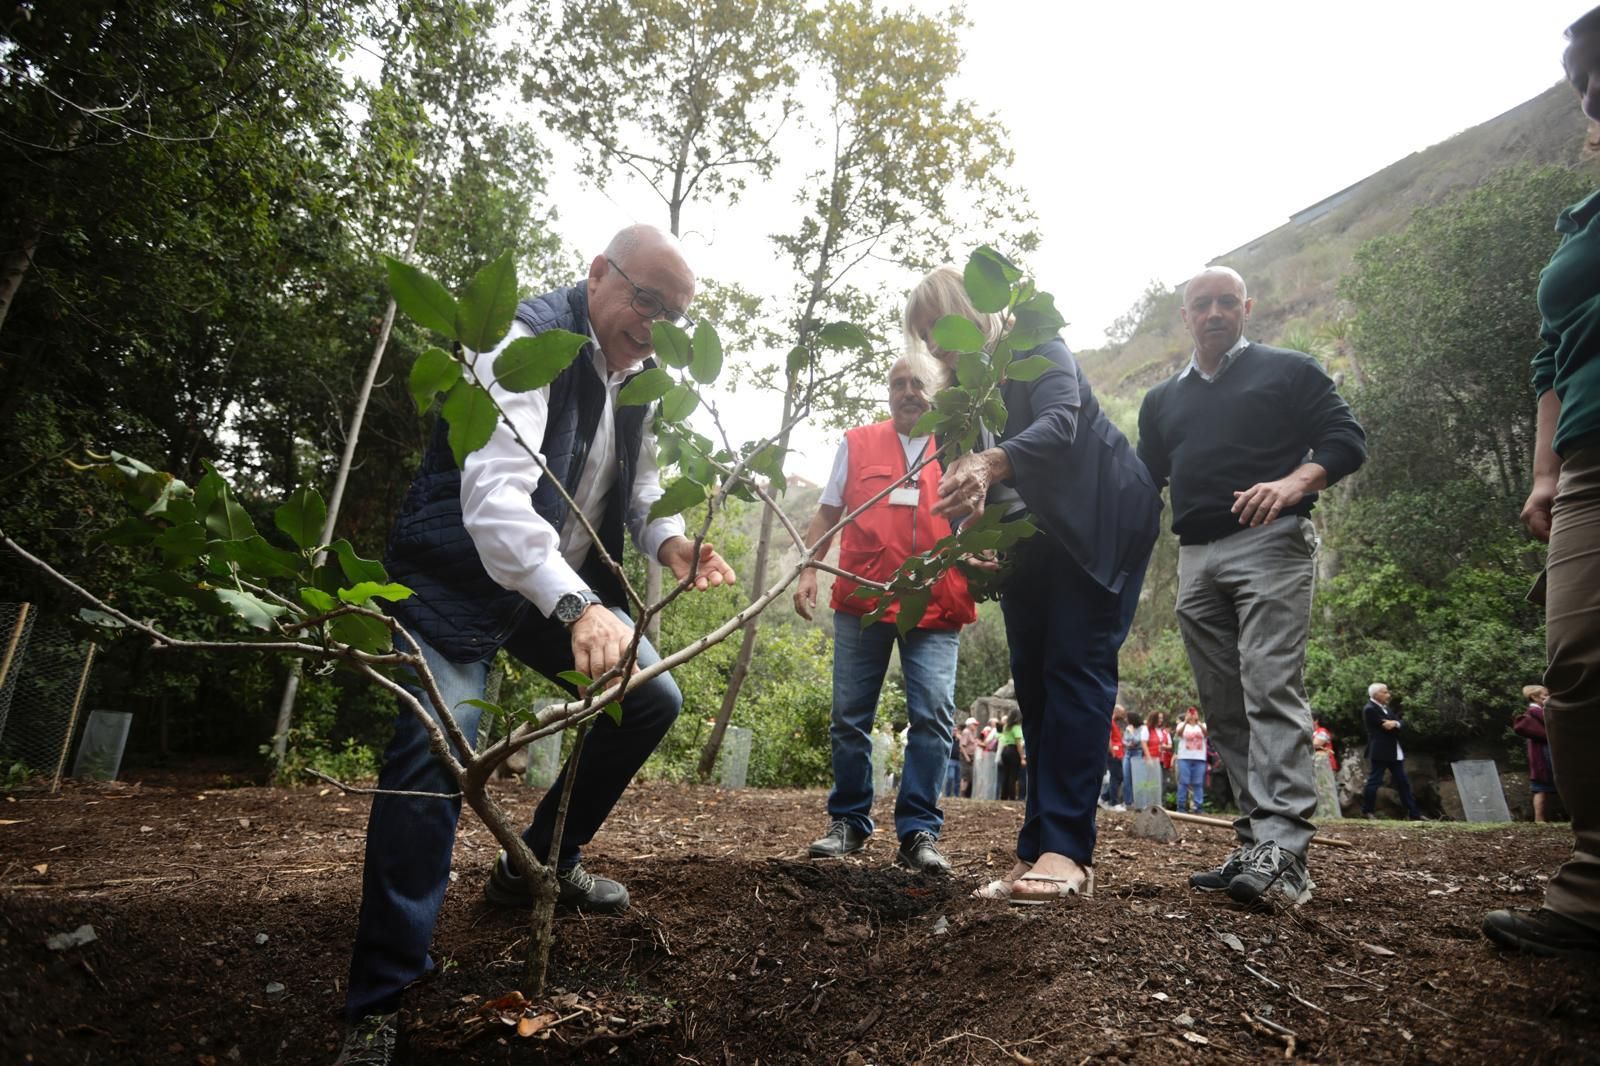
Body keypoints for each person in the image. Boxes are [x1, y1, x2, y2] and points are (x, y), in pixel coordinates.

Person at [335, 225, 737, 1063]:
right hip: (457, 576)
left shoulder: (642, 382)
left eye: (672, 316)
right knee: (434, 749)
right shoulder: (525, 344)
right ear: (598, 274)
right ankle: (381, 998)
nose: (654, 326)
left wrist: (670, 542)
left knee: (652, 698)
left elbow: (646, 486)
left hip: (550, 590)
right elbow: (493, 502)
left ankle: (535, 869)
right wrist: (581, 607)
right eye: (645, 301)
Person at [904, 265, 1161, 903]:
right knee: (1035, 683)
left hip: (1094, 528)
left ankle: (1068, 851)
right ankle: (1037, 850)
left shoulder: (1035, 351)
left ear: (974, 309)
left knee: (1074, 666)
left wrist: (992, 462)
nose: (935, 343)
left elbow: (1060, 425)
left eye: (941, 323)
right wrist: (972, 552)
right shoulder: (954, 411)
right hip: (1028, 547)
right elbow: (962, 500)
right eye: (924, 333)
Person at [1137, 265, 1367, 907]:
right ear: (1184, 317)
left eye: (1226, 302)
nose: (1214, 313)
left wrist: (1294, 483)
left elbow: (1347, 440)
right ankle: (1254, 841)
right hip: (1194, 556)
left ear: (1246, 307)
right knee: (1223, 703)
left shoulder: (1289, 370)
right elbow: (1142, 481)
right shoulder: (1161, 402)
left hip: (1272, 542)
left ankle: (1286, 852)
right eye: (1201, 305)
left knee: (1269, 684)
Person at [1484, 13, 1600, 956]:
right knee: (1578, 665)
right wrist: (1544, 469)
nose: (1592, 89)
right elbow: (1550, 358)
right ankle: (1596, 884)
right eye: (1584, 79)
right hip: (1589, 462)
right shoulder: (1580, 224)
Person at [794, 357, 977, 874]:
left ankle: (919, 829)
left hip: (937, 601)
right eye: (897, 383)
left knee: (934, 716)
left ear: (937, 390)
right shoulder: (856, 443)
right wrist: (810, 569)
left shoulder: (959, 445)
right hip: (862, 601)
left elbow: (979, 518)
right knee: (849, 715)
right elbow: (829, 512)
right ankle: (848, 820)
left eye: (918, 382)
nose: (907, 392)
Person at [1360, 683, 1424, 821]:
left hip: (1394, 750)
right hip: (1380, 751)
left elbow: (1399, 724)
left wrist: (1395, 723)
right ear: (1376, 694)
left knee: (1403, 782)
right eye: (1385, 692)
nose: (1388, 695)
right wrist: (1395, 724)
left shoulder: (1386, 708)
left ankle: (1414, 813)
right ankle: (1367, 811)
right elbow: (1387, 727)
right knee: (1375, 781)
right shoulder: (1370, 709)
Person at [1514, 685, 1555, 823]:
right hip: (1543, 755)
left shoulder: (1536, 711)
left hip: (1541, 754)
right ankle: (1539, 819)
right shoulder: (1536, 711)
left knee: (1542, 788)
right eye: (1545, 694)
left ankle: (1541, 819)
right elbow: (1553, 723)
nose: (1548, 697)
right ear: (1535, 697)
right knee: (1542, 787)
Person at [1175, 706, 1209, 814]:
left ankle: (1198, 807)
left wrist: (1198, 722)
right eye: (1190, 713)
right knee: (1183, 782)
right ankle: (1181, 807)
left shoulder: (1202, 725)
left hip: (1199, 758)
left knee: (1198, 783)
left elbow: (1207, 734)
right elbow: (1179, 733)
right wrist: (1185, 721)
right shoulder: (1181, 725)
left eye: (1194, 712)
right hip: (1184, 757)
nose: (1192, 715)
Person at [1102, 704, 1128, 810]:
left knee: (1119, 777)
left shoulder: (1115, 723)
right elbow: (1108, 737)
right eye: (1122, 713)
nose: (1123, 715)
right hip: (1113, 754)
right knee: (1115, 777)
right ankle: (1114, 803)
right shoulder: (1109, 722)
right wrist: (1112, 751)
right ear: (1116, 712)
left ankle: (1104, 798)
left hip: (1118, 753)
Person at [1122, 710, 1149, 807]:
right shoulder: (1127, 728)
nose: (1125, 720)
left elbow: (1137, 740)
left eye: (1127, 718)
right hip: (1128, 754)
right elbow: (1124, 741)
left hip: (1138, 753)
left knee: (1138, 779)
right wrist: (1130, 742)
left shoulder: (1142, 728)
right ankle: (1128, 802)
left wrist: (1132, 733)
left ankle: (1139, 803)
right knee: (1126, 778)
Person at [998, 710, 1026, 801]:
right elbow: (1018, 744)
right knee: (1012, 775)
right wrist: (1022, 757)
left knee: (1006, 774)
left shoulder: (1006, 727)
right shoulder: (1016, 728)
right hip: (1013, 751)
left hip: (1005, 750)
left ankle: (1004, 796)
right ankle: (1012, 797)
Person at [958, 716, 980, 797]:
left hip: (971, 756)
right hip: (966, 756)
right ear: (969, 724)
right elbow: (962, 746)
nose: (976, 726)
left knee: (969, 776)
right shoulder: (966, 732)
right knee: (965, 776)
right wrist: (967, 757)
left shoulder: (972, 733)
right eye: (974, 724)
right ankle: (962, 794)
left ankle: (966, 794)